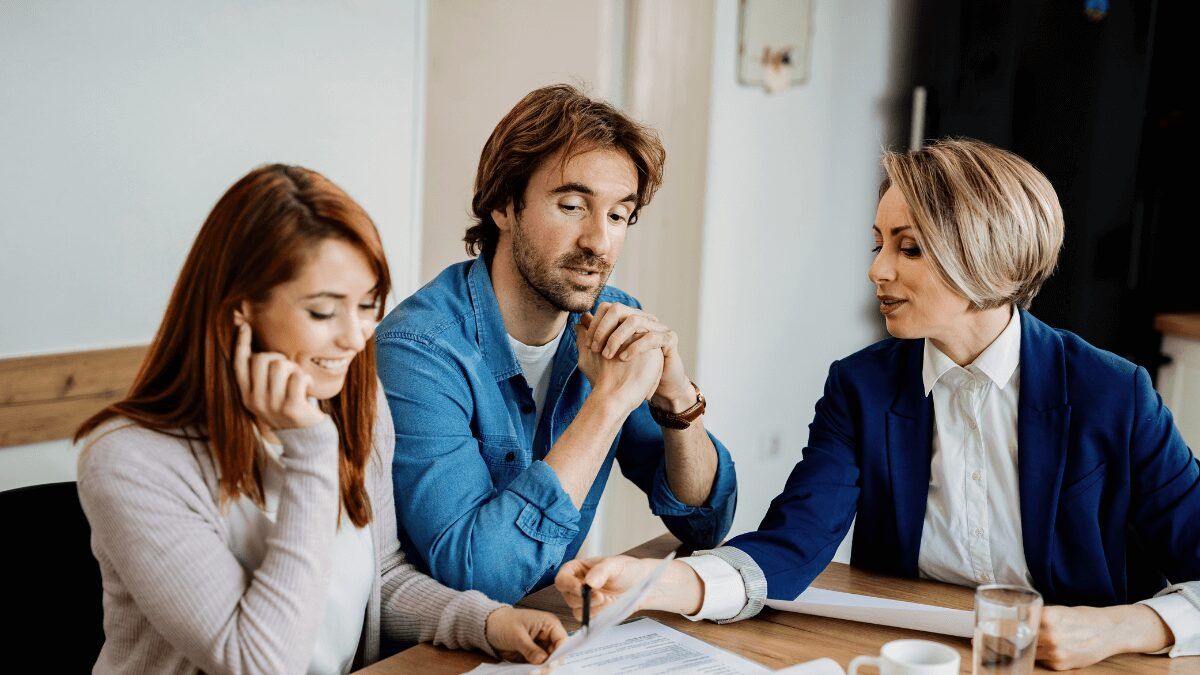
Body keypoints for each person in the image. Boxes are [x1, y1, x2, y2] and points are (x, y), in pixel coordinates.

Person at [555, 139, 1200, 670]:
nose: (877, 270)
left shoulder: (1112, 393)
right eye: (879, 242)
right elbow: (792, 543)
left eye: (909, 247)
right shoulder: (860, 387)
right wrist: (654, 584)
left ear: (987, 255)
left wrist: (1127, 627)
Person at [74, 165, 566, 674]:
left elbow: (382, 575)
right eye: (323, 312)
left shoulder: (356, 401)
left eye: (367, 305)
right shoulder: (130, 461)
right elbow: (258, 664)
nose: (355, 337)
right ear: (240, 309)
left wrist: (485, 622)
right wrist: (310, 451)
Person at [376, 84, 738, 604]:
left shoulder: (607, 319)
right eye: (572, 206)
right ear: (504, 206)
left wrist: (678, 401)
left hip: (549, 635)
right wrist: (609, 404)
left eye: (618, 216)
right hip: (430, 655)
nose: (599, 242)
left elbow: (704, 523)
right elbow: (479, 576)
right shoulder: (419, 351)